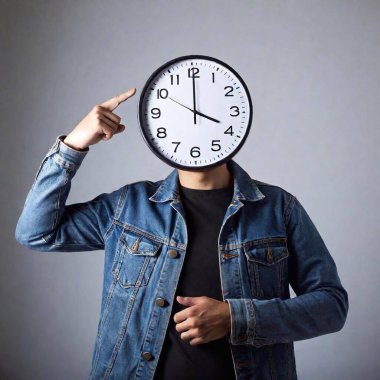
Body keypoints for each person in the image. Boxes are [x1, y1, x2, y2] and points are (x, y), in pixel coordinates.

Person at [15, 88, 349, 380]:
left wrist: (236, 317)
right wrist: (72, 146)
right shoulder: (128, 207)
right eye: (182, 121)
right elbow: (36, 232)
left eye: (207, 119)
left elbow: (331, 306)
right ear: (159, 132)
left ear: (234, 127)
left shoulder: (279, 208)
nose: (195, 129)